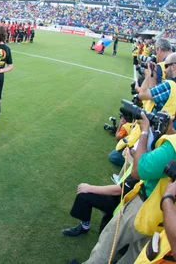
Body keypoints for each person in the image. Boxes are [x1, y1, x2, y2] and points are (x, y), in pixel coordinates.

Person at [70, 112, 176, 264]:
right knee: (136, 255)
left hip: (145, 207)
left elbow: (138, 171)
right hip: (163, 220)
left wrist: (145, 131)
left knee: (108, 243)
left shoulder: (172, 146)